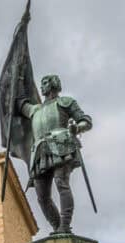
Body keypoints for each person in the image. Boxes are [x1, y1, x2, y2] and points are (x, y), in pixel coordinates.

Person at [19, 74, 92, 234]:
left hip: (61, 145)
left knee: (61, 183)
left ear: (53, 84)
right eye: (41, 83)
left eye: (45, 83)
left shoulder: (66, 102)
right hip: (39, 152)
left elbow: (86, 121)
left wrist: (77, 128)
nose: (41, 86)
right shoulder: (34, 109)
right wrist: (16, 78)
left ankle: (65, 225)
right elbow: (18, 103)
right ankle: (57, 226)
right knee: (41, 196)